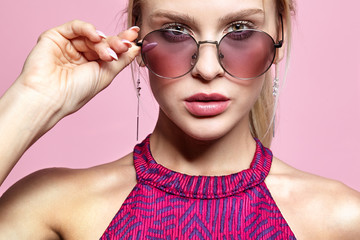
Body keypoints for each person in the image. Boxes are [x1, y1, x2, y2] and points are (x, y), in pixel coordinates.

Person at [0, 0, 359, 239]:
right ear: (136, 36)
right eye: (174, 31)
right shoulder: (55, 209)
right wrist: (32, 100)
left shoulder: (341, 220)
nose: (206, 69)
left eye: (239, 30)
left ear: (278, 34)